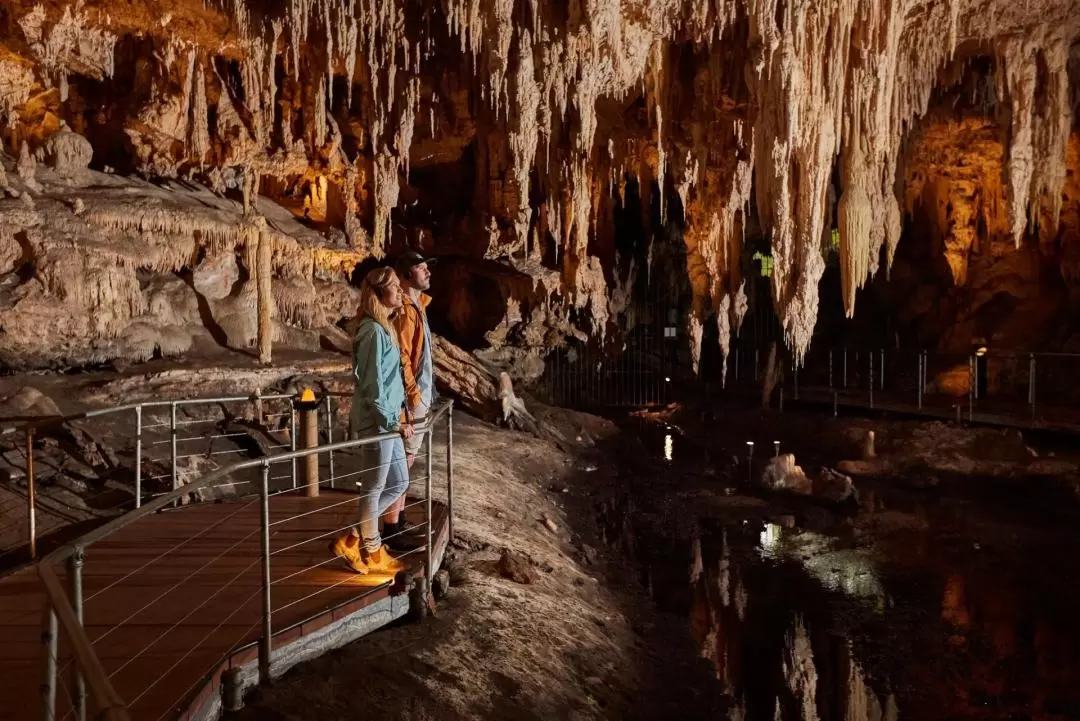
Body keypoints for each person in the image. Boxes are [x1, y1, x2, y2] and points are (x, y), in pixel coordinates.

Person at [330, 267, 412, 575]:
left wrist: (400, 416)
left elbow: (389, 384)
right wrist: (394, 420)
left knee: (399, 482)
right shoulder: (372, 332)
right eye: (394, 287)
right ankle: (372, 550)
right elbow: (373, 385)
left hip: (389, 419)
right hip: (378, 422)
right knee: (376, 486)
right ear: (378, 295)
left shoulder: (385, 328)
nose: (401, 291)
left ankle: (353, 538)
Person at [381, 251, 437, 546]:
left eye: (427, 266)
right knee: (403, 460)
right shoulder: (404, 310)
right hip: (410, 399)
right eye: (420, 266)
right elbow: (401, 355)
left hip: (420, 396)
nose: (427, 271)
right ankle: (391, 528)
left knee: (408, 460)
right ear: (405, 274)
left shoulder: (419, 305)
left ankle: (397, 522)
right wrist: (413, 394)